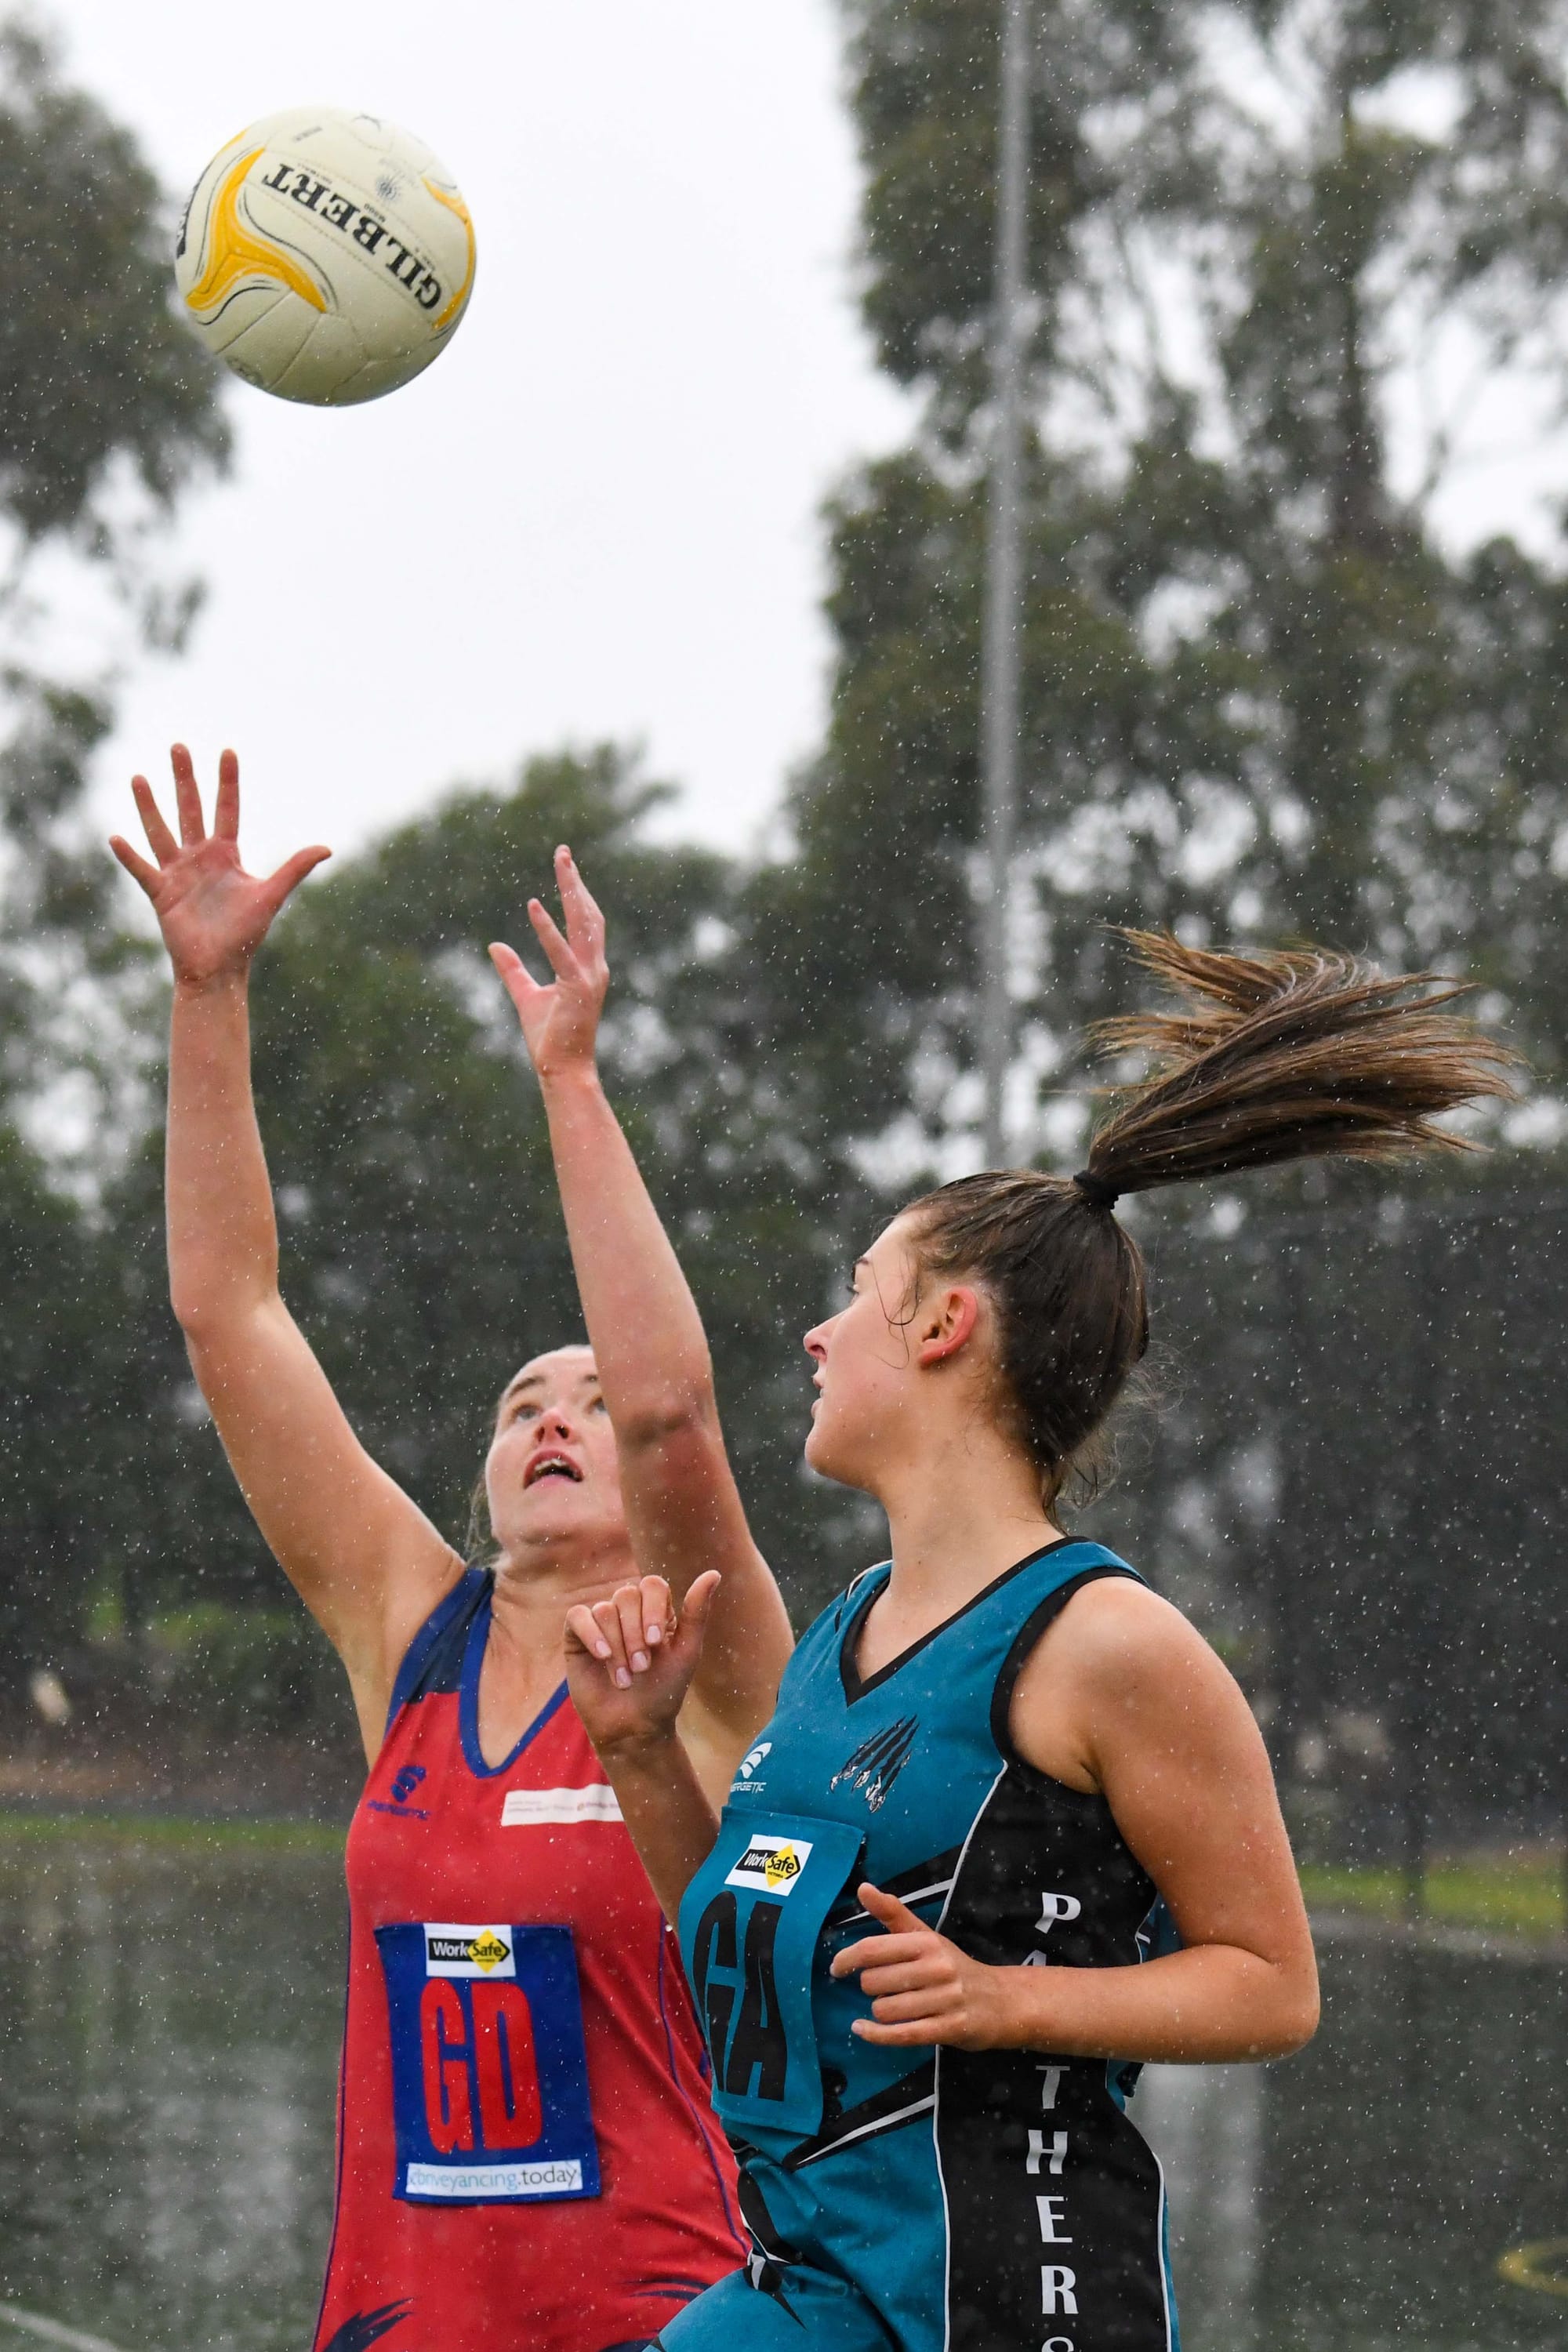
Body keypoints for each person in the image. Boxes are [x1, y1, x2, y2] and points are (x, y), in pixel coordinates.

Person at [560, 932, 1515, 2352]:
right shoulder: (839, 1634)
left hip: (1002, 2306)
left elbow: (1271, 1985)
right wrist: (640, 1749)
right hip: (808, 2289)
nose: (819, 1336)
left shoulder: (1107, 1644)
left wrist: (1007, 1997)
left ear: (948, 1324)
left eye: (859, 1287)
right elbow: (742, 1942)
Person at [110, 748, 793, 2352]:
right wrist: (208, 1007)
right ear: (486, 1467)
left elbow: (678, 1411)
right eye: (519, 1403)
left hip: (662, 2320)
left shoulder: (713, 1652)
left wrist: (568, 1085)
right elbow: (230, 1311)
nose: (557, 1418)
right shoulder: (409, 1628)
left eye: (588, 1401)